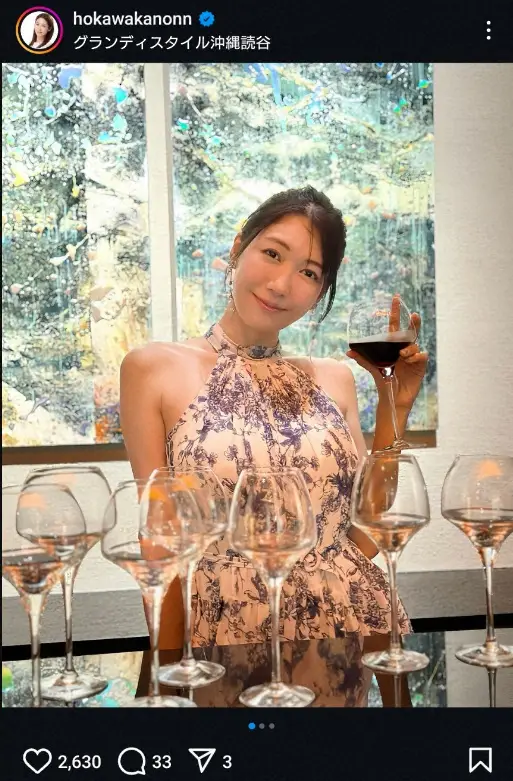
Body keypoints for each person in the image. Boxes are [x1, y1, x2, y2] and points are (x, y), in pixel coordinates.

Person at [121, 186, 428, 703]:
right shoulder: (153, 369)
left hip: (343, 641)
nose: (282, 284)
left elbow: (364, 539)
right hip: (220, 642)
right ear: (238, 247)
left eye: (308, 272)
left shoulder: (335, 378)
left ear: (321, 289)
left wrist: (393, 406)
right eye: (272, 253)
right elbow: (162, 544)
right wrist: (162, 674)